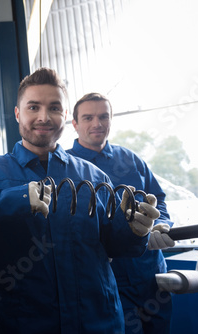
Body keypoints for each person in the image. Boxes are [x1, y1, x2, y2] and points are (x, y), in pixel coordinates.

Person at [0, 68, 160, 334]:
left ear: (65, 116)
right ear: (17, 114)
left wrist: (136, 231)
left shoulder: (94, 177)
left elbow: (114, 245)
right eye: (33, 107)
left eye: (54, 108)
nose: (44, 117)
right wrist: (18, 197)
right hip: (29, 323)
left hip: (99, 321)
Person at [67, 92, 175, 334]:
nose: (97, 123)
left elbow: (161, 202)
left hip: (150, 274)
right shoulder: (65, 167)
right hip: (106, 280)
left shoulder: (131, 160)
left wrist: (162, 224)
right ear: (74, 124)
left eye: (104, 116)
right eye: (88, 118)